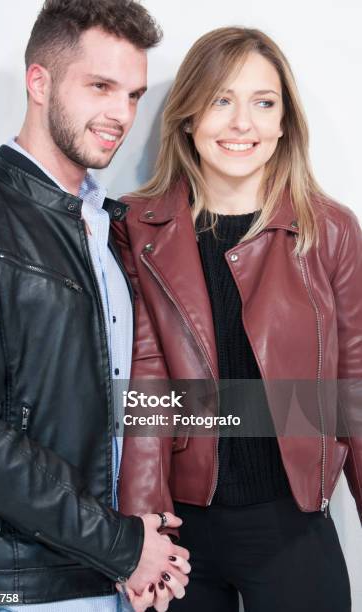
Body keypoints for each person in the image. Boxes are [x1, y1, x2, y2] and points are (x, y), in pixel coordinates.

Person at [113, 27, 361, 611]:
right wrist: (141, 532)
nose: (242, 123)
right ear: (188, 118)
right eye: (221, 100)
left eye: (263, 102)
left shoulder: (330, 231)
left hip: (294, 527)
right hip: (179, 535)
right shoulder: (133, 228)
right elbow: (144, 387)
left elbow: (354, 384)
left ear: (284, 123)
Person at [0, 2, 190, 612]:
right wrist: (121, 544)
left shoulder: (108, 229)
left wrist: (146, 546)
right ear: (39, 82)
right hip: (21, 586)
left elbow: (119, 407)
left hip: (108, 577)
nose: (121, 115)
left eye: (134, 94)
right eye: (100, 87)